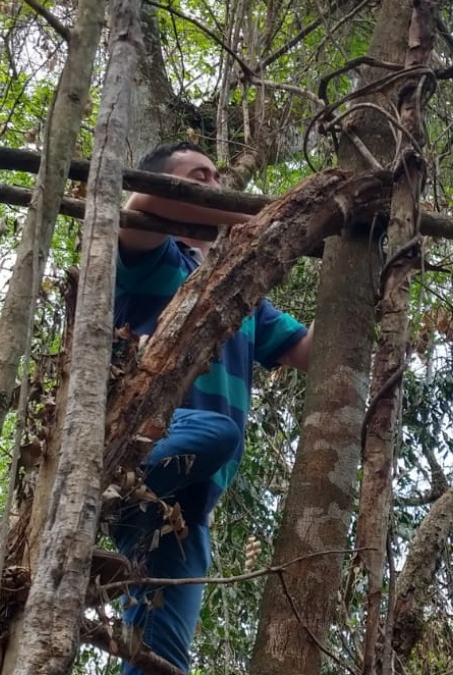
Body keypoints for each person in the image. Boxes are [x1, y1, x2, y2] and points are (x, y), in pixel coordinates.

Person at [109, 141, 311, 674]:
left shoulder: (244, 294)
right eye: (199, 176)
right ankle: (101, 496)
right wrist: (280, 217)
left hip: (189, 502)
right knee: (218, 433)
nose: (216, 187)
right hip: (139, 446)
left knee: (161, 658)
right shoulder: (153, 255)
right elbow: (146, 202)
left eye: (219, 178)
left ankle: (112, 504)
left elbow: (309, 350)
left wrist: (368, 280)